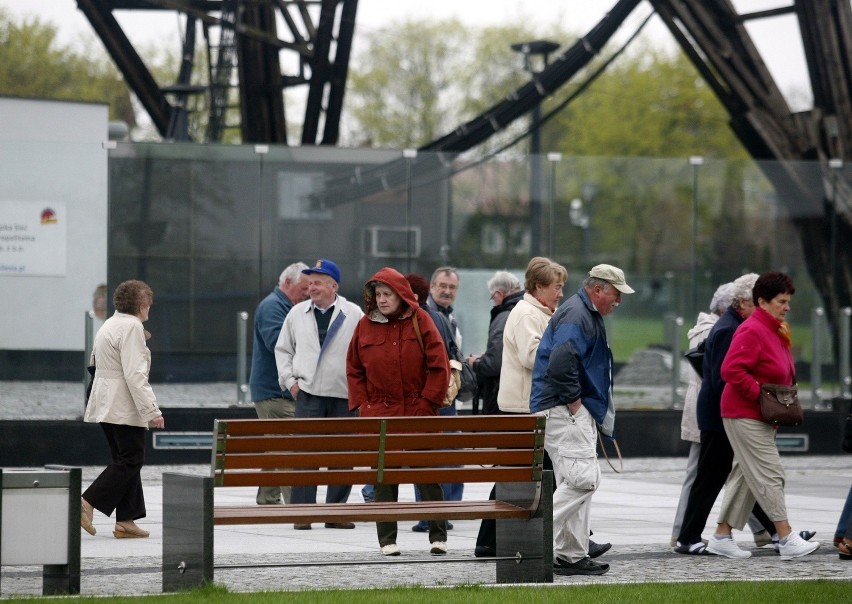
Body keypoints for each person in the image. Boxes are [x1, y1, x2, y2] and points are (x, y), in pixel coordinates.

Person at [674, 273, 814, 556]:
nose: (787, 307)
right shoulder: (750, 329)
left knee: (743, 477)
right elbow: (729, 371)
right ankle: (784, 536)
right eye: (782, 301)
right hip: (742, 413)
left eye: (788, 301)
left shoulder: (772, 328)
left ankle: (722, 535)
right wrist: (762, 398)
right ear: (761, 301)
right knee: (769, 474)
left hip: (757, 414)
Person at [530, 264, 635, 576]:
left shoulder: (581, 312)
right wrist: (576, 406)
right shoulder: (579, 314)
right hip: (565, 410)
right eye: (616, 294)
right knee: (583, 480)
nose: (619, 300)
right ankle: (537, 539)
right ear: (598, 289)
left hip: (561, 409)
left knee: (574, 480)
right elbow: (562, 363)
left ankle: (571, 555)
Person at [346, 267, 451, 557]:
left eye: (387, 294)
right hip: (379, 413)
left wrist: (426, 404)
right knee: (384, 478)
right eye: (377, 294)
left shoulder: (422, 320)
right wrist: (364, 404)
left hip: (418, 410)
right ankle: (387, 540)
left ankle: (438, 536)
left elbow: (439, 366)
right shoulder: (364, 325)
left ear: (400, 294)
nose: (381, 300)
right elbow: (354, 368)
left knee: (427, 475)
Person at [474, 257, 566, 558]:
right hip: (522, 408)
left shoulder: (538, 311)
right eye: (557, 286)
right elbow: (532, 357)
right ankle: (577, 537)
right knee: (541, 473)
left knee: (523, 474)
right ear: (539, 287)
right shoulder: (528, 313)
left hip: (527, 407)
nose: (561, 293)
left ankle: (487, 542)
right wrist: (566, 351)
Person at [275, 258, 363, 529]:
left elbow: (363, 353)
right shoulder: (296, 313)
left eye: (318, 283)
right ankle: (302, 514)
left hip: (343, 396)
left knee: (343, 458)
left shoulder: (354, 313)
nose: (312, 288)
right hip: (309, 394)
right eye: (310, 282)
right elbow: (283, 350)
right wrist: (290, 382)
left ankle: (335, 513)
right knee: (305, 457)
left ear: (333, 286)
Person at [81, 279, 164, 539]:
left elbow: (94, 365)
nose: (149, 309)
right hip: (123, 404)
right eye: (148, 304)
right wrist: (152, 410)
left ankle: (126, 520)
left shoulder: (110, 324)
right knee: (131, 460)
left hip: (103, 401)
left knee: (124, 459)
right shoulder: (131, 328)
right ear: (142, 306)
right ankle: (86, 502)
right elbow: (135, 374)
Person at [670, 282, 735, 546]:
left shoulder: (715, 328)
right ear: (724, 308)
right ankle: (681, 532)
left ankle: (770, 528)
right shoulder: (710, 331)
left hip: (710, 410)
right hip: (708, 412)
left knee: (733, 471)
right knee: (701, 473)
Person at [248, 262, 309, 505]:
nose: (307, 293)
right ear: (287, 284)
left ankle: (268, 498)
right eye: (303, 288)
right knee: (288, 447)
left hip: (275, 391)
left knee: (277, 445)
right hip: (275, 392)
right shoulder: (273, 307)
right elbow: (279, 346)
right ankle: (296, 504)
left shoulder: (286, 307)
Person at [422, 266, 465, 507]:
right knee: (434, 454)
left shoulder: (450, 316)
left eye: (452, 287)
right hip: (433, 396)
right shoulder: (426, 314)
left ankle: (449, 504)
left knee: (452, 452)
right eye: (442, 286)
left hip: (449, 396)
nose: (447, 291)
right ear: (431, 287)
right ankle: (438, 508)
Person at [467, 271, 523, 415]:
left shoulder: (504, 316)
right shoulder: (525, 311)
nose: (493, 301)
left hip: (502, 400)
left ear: (499, 294)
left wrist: (476, 363)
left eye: (492, 297)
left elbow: (496, 363)